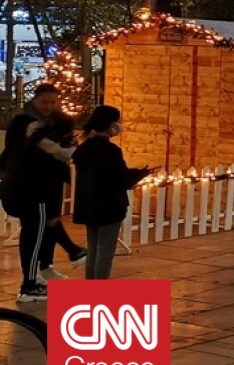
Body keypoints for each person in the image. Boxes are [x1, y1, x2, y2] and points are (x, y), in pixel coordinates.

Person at [6, 83, 87, 278]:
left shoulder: (57, 121)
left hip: (51, 180)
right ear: (35, 99)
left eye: (53, 103)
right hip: (29, 182)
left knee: (51, 221)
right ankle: (33, 277)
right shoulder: (23, 122)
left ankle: (47, 266)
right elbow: (41, 149)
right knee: (39, 226)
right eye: (44, 102)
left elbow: (63, 144)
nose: (49, 107)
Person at [72, 106, 150, 280]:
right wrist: (140, 174)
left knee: (93, 249)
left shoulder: (83, 149)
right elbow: (120, 178)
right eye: (117, 121)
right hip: (109, 205)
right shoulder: (110, 150)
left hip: (89, 205)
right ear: (109, 124)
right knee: (105, 250)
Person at [10, 112, 76, 302]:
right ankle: (29, 286)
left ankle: (36, 277)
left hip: (29, 194)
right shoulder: (42, 142)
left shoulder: (33, 139)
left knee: (37, 235)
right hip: (34, 196)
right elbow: (61, 155)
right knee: (34, 239)